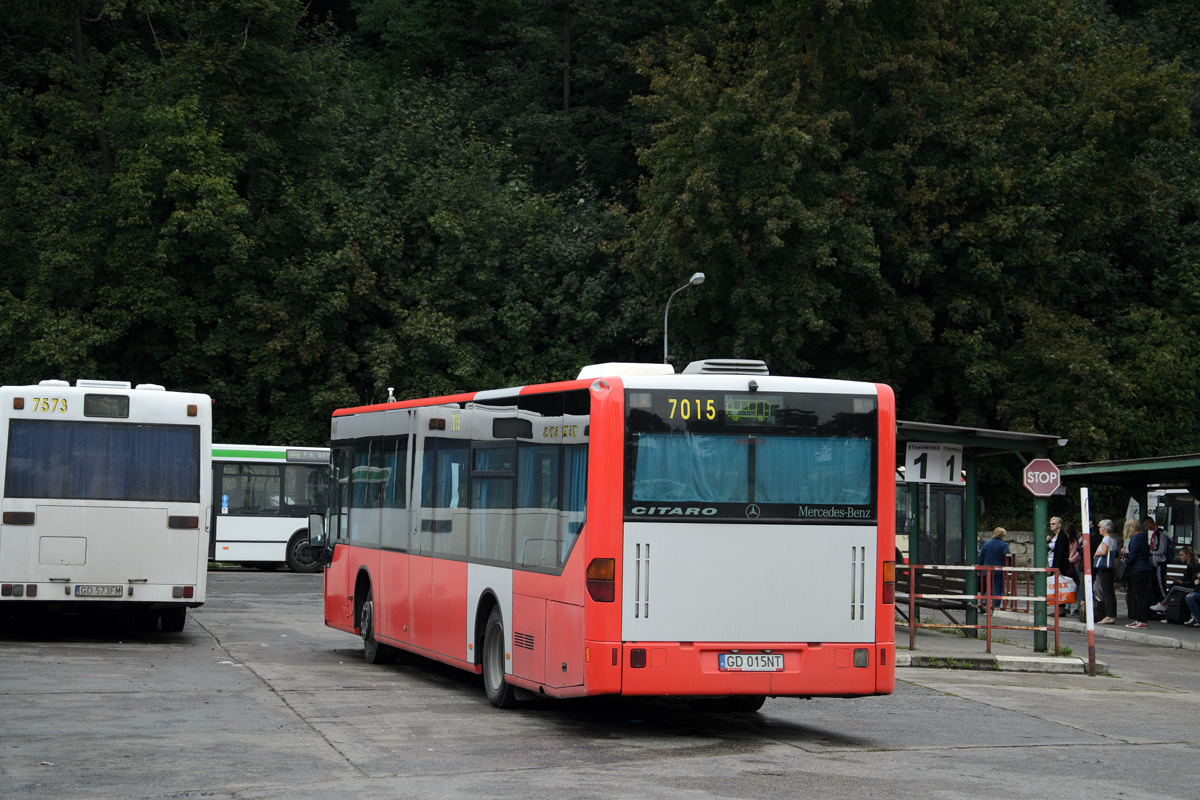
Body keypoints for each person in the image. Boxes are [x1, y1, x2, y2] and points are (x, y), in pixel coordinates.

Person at [1123, 519, 1153, 628]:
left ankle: (1142, 620)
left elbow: (1132, 556)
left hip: (1138, 569)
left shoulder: (1135, 538)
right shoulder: (1143, 537)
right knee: (1141, 595)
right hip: (1145, 568)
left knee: (1139, 596)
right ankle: (1139, 619)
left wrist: (1125, 557)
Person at [1092, 519, 1119, 624]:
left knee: (1106, 591)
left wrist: (1096, 554)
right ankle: (1112, 613)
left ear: (1105, 529)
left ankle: (1108, 615)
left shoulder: (1106, 539)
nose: (1099, 529)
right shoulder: (1114, 540)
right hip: (1111, 568)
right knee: (1111, 591)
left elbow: (1103, 552)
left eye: (1100, 527)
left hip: (1104, 568)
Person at [1146, 518, 1174, 613]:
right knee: (1156, 585)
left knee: (1160, 584)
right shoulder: (1156, 534)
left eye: (1146, 525)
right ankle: (1160, 604)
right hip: (1156, 563)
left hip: (1160, 563)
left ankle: (1164, 604)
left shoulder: (1160, 534)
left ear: (1150, 523)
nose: (1146, 528)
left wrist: (1149, 551)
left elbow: (1160, 549)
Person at [977, 527, 1010, 608]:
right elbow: (1008, 556)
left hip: (987, 571)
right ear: (1002, 535)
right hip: (999, 571)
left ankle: (985, 601)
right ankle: (995, 607)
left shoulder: (986, 544)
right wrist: (1009, 569)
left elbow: (981, 558)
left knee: (989, 587)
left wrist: (979, 569)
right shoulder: (1004, 545)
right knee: (998, 589)